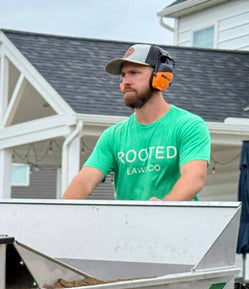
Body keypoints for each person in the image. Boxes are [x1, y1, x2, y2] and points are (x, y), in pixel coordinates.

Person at [62, 44, 210, 201]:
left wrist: (164, 208)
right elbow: (84, 182)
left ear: (160, 77)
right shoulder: (113, 136)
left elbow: (194, 179)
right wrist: (58, 216)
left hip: (177, 224)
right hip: (129, 224)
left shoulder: (189, 126)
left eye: (134, 73)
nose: (126, 81)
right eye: (123, 75)